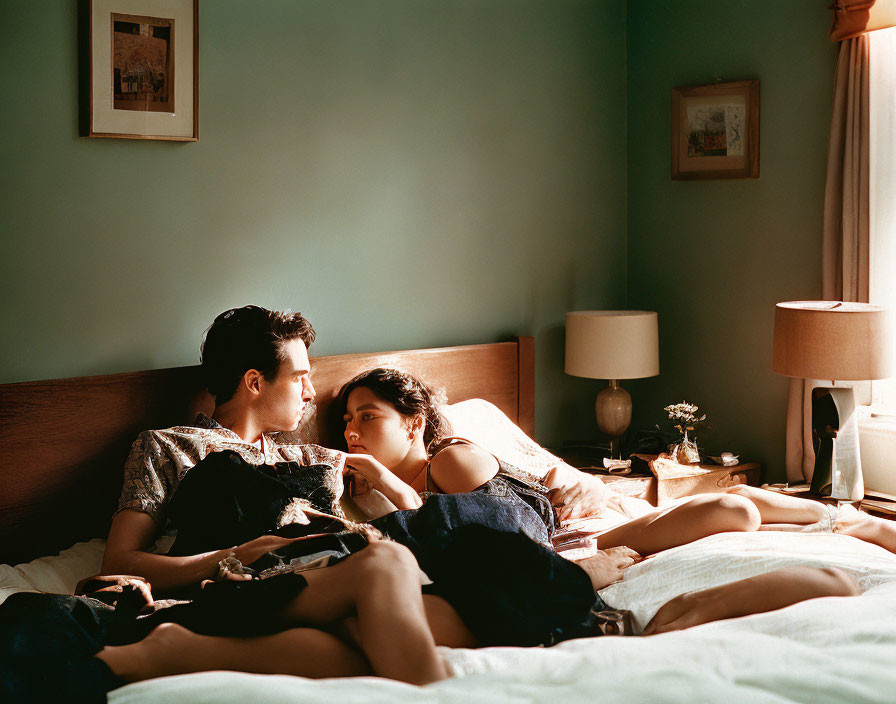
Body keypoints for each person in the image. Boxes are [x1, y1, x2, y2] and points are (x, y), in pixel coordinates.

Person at [336, 368, 896, 557]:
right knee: (737, 510)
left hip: (575, 541)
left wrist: (384, 478)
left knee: (734, 507)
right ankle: (845, 521)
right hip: (577, 541)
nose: (352, 430)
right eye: (346, 421)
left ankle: (850, 521)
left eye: (369, 416)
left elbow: (504, 531)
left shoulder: (450, 460)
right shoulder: (362, 490)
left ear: (413, 422)